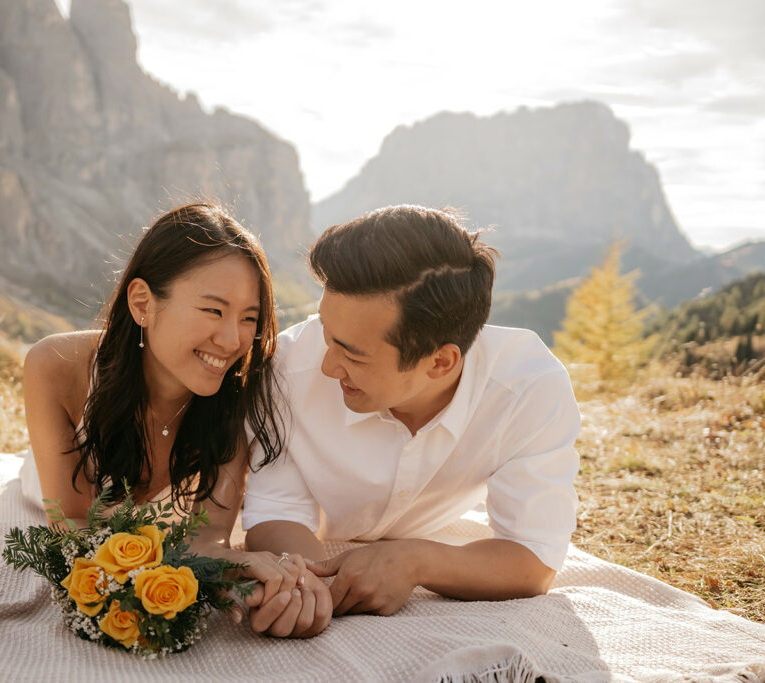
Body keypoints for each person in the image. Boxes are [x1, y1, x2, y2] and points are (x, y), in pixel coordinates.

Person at [243, 204, 581, 636]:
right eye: (327, 335)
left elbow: (534, 560)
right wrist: (303, 582)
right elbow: (276, 510)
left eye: (352, 354)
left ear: (441, 362)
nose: (328, 366)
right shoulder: (287, 371)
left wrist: (416, 559)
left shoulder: (528, 390)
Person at [22, 202, 305, 631]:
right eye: (213, 310)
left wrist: (238, 570)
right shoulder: (56, 366)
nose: (232, 340)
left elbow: (208, 536)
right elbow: (73, 523)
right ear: (143, 304)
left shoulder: (236, 401)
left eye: (249, 318)